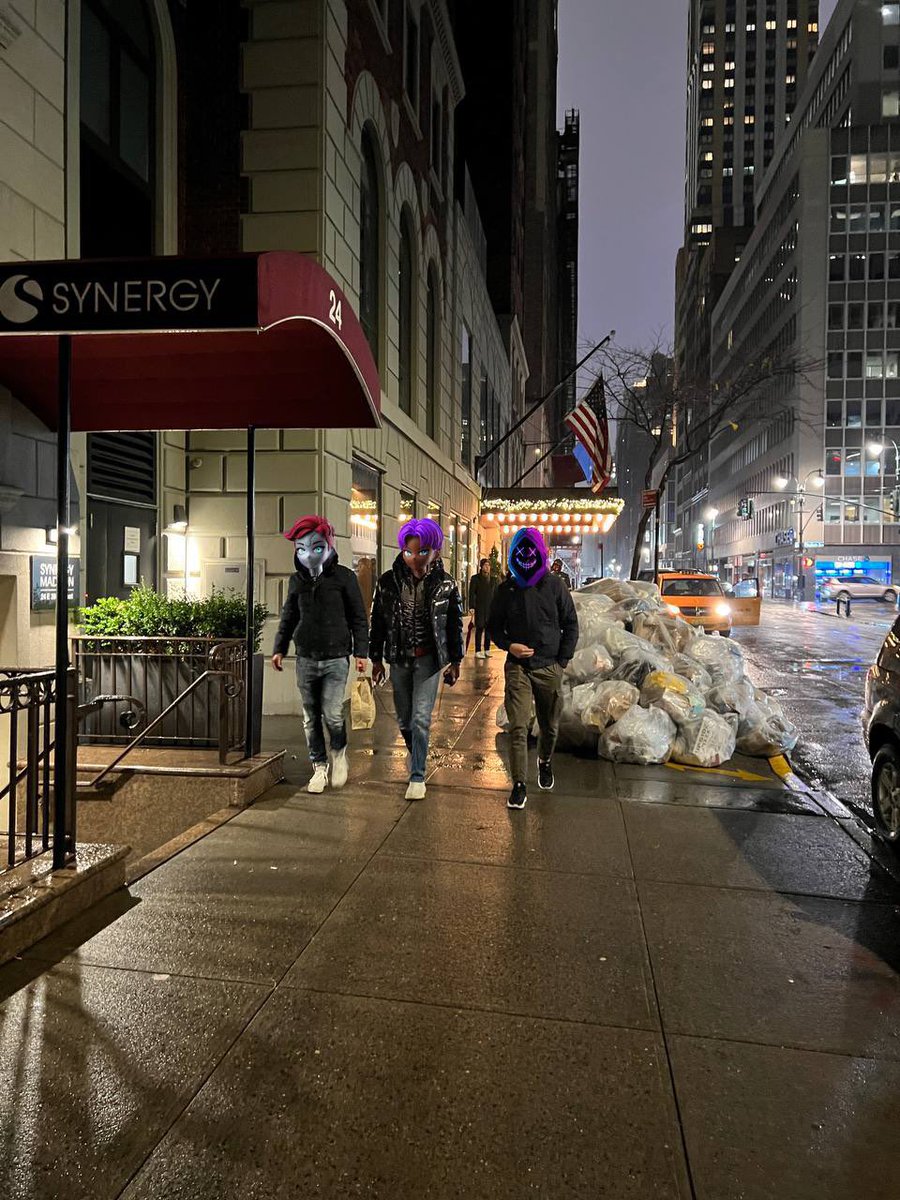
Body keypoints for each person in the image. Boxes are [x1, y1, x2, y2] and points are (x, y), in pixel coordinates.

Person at [272, 515, 368, 794]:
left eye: (315, 547)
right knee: (310, 717)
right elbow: (289, 616)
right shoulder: (296, 581)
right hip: (306, 658)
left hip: (337, 658)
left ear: (329, 544)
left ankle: (339, 753)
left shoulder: (345, 578)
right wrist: (279, 647)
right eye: (300, 548)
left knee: (333, 714)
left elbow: (358, 618)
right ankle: (319, 767)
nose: (307, 554)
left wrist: (361, 652)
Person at [370, 517, 463, 801]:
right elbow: (379, 622)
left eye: (422, 552)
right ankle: (416, 752)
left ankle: (418, 775)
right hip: (398, 658)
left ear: (435, 551)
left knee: (421, 718)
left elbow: (453, 624)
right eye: (408, 552)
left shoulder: (446, 585)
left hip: (428, 661)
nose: (414, 559)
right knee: (404, 719)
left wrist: (455, 660)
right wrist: (375, 658)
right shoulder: (387, 582)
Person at [489, 527, 578, 810]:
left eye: (531, 552)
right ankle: (518, 784)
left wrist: (561, 661)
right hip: (518, 667)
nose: (526, 557)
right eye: (520, 552)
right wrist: (508, 645)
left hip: (549, 667)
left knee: (549, 725)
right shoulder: (506, 590)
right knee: (518, 726)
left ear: (541, 554)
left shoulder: (555, 587)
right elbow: (493, 626)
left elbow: (571, 624)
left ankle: (545, 761)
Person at [468, 557, 497, 658]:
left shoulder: (493, 580)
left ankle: (487, 649)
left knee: (488, 629)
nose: (487, 567)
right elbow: (471, 593)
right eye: (485, 565)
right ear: (481, 566)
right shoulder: (475, 578)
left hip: (490, 608)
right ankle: (477, 650)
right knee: (479, 628)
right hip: (479, 607)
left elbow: (496, 594)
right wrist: (472, 606)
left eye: (488, 565)